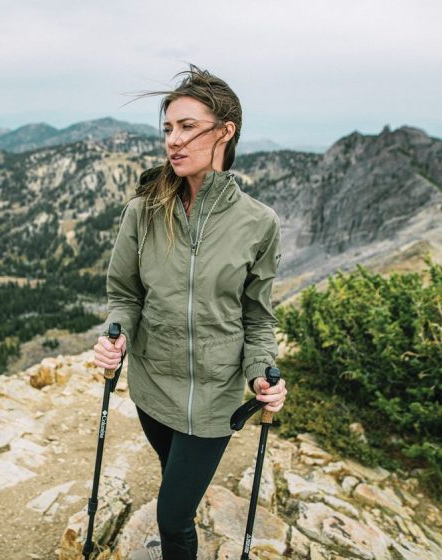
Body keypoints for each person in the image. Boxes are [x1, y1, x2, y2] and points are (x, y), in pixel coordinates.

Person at [93, 65, 287, 560]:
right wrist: (117, 334)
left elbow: (258, 317)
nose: (173, 141)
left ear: (225, 131)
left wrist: (260, 373)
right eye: (168, 129)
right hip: (153, 386)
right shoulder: (144, 211)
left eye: (187, 127)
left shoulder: (258, 223)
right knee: (173, 482)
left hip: (215, 398)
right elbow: (126, 294)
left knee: (173, 515)